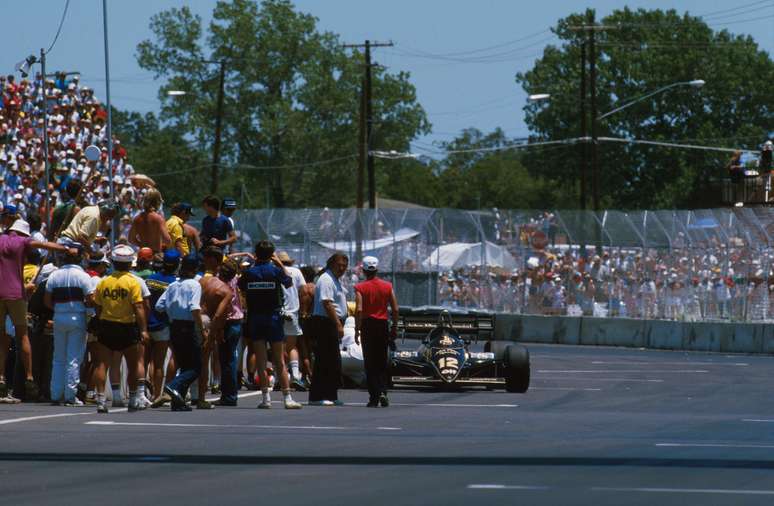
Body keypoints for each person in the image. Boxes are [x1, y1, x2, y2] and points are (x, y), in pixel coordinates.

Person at [0, 219, 77, 401]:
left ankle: (1, 376)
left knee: (1, 337)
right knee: (22, 335)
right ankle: (29, 376)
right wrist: (66, 249)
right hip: (16, 294)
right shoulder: (23, 241)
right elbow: (43, 244)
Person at [238, 241, 302, 409]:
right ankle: (287, 397)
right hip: (273, 317)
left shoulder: (249, 273)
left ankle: (266, 398)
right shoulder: (275, 271)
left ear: (256, 254)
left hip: (255, 318)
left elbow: (241, 286)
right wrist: (280, 264)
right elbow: (289, 282)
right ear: (272, 254)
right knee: (279, 360)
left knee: (261, 359)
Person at [91, 245, 150, 413]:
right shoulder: (133, 282)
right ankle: (132, 399)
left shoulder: (104, 282)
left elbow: (97, 305)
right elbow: (139, 307)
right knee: (132, 364)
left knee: (101, 364)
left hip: (107, 326)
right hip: (127, 326)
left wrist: (101, 319)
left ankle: (101, 400)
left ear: (113, 262)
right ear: (131, 263)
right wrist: (143, 329)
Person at [156, 254, 208, 412]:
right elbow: (194, 308)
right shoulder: (194, 285)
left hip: (174, 327)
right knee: (196, 366)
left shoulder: (173, 285)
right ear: (196, 269)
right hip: (188, 326)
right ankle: (172, 386)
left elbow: (159, 306)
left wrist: (174, 309)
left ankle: (177, 401)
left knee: (184, 364)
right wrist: (202, 329)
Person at [44, 244, 94, 406]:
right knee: (73, 358)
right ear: (79, 258)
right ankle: (70, 395)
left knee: (58, 357)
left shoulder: (54, 276)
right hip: (77, 316)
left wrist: (60, 308)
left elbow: (47, 301)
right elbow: (91, 299)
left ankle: (55, 393)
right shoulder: (83, 276)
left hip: (59, 316)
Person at [355, 256, 399, 408]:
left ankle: (373, 397)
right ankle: (383, 391)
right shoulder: (387, 286)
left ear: (364, 270)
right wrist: (394, 327)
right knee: (382, 361)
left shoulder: (360, 287)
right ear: (377, 269)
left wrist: (357, 329)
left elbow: (359, 309)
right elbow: (395, 309)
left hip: (368, 325)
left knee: (370, 362)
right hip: (382, 325)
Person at [308, 252, 349, 407]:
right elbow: (327, 303)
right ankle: (317, 396)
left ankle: (331, 394)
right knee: (323, 360)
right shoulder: (326, 279)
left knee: (333, 361)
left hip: (332, 322)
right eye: (339, 265)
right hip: (325, 323)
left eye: (344, 266)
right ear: (331, 263)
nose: (342, 268)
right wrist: (338, 324)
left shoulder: (335, 280)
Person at [145, 249, 180, 404]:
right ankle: (157, 394)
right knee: (159, 363)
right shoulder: (174, 283)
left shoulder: (150, 279)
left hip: (147, 323)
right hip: (163, 325)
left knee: (145, 361)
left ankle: (141, 391)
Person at [213, 258, 244, 406]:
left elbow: (225, 310)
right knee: (230, 358)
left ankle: (229, 395)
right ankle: (230, 393)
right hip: (237, 321)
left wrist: (218, 329)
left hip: (228, 323)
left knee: (227, 359)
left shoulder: (223, 286)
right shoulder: (236, 281)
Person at [277, 251, 308, 390]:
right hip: (293, 312)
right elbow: (304, 291)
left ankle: (280, 378)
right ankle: (295, 376)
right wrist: (303, 309)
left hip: (277, 312)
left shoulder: (275, 271)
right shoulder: (296, 272)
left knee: (278, 347)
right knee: (292, 347)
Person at [128, 189, 170, 253]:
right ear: (157, 202)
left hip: (143, 253)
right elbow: (167, 240)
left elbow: (130, 239)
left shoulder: (137, 218)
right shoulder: (159, 219)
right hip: (154, 254)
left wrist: (141, 245)